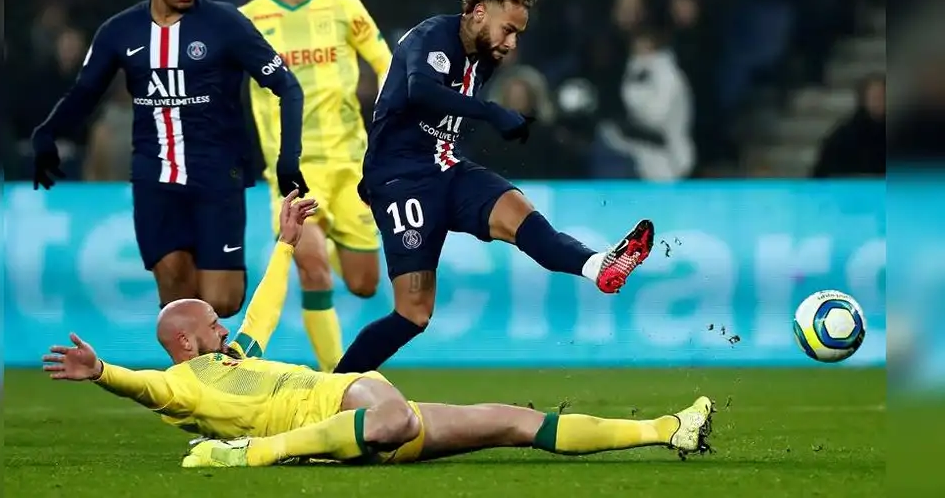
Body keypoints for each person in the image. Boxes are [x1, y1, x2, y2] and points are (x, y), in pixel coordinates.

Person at [41, 189, 715, 467]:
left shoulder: (233, 358)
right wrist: (104, 374)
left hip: (360, 420)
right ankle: (254, 456)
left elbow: (266, 310)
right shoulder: (186, 386)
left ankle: (664, 430)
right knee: (387, 412)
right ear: (186, 343)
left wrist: (283, 243)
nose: (226, 327)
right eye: (213, 324)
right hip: (352, 406)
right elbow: (147, 390)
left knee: (514, 419)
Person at [333, 0, 655, 374]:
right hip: (401, 181)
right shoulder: (432, 36)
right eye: (508, 30)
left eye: (518, 34)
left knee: (519, 212)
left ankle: (599, 266)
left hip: (446, 167)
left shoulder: (484, 59)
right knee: (414, 314)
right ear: (479, 13)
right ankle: (334, 391)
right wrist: (491, 112)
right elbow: (421, 90)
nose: (512, 42)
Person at [30, 0, 308, 319]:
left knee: (223, 301)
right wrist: (47, 133)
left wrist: (288, 159)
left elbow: (288, 88)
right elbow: (83, 95)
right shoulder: (119, 32)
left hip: (217, 177)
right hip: (154, 180)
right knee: (179, 301)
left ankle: (206, 365)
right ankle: (195, 378)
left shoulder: (225, 23)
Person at [238, 0, 392, 372]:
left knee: (364, 284)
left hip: (351, 167)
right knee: (313, 271)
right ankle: (338, 381)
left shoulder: (343, 6)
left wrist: (388, 119)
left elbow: (386, 63)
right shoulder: (248, 20)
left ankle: (332, 245)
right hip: (291, 171)